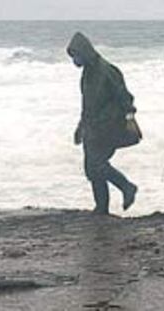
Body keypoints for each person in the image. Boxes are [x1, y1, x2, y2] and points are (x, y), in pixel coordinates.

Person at [67, 32, 140, 215]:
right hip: (92, 128)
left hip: (108, 126)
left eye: (76, 55)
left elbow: (125, 97)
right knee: (91, 170)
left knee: (97, 164)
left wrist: (130, 118)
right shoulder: (87, 74)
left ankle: (127, 187)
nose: (75, 60)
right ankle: (102, 208)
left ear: (85, 52)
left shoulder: (108, 70)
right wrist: (80, 127)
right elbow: (87, 105)